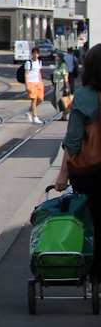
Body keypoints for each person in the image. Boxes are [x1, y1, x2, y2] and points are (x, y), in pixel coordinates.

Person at [55, 46, 101, 279]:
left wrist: (62, 174)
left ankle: (93, 272)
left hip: (90, 172)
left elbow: (73, 141)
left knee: (89, 217)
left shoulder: (83, 96)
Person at [25, 46, 45, 123]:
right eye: (34, 53)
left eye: (37, 53)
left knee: (41, 99)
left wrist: (41, 82)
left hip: (38, 82)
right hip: (31, 82)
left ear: (39, 54)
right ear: (32, 54)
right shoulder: (29, 63)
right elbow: (26, 73)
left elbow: (39, 72)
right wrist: (27, 84)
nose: (35, 55)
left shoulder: (39, 62)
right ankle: (35, 117)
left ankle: (29, 111)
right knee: (34, 99)